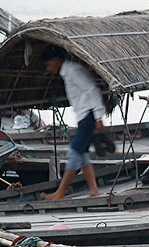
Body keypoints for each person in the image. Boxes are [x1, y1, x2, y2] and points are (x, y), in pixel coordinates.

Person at [40, 45, 105, 200]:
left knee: (74, 153)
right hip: (84, 116)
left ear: (56, 60)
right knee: (82, 156)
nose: (48, 69)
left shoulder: (72, 71)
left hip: (88, 116)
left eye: (48, 64)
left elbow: (92, 90)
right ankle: (94, 190)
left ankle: (60, 192)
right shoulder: (67, 72)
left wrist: (98, 117)